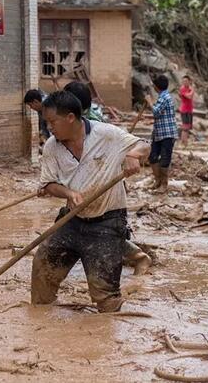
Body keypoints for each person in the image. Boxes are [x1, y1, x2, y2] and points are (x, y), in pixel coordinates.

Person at [32, 91, 150, 312]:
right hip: (71, 219)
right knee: (42, 272)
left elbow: (144, 144)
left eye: (52, 122)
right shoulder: (51, 146)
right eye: (47, 123)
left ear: (70, 117)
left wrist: (132, 155)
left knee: (106, 301)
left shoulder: (106, 135)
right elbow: (47, 184)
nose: (50, 128)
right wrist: (68, 193)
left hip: (107, 223)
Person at [61, 81, 152, 275]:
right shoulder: (63, 134)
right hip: (80, 196)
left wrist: (132, 155)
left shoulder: (101, 129)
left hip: (106, 195)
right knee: (65, 231)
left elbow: (144, 144)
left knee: (105, 233)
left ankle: (139, 257)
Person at [145, 75, 178, 193]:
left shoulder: (165, 97)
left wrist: (149, 102)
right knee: (152, 156)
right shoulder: (162, 97)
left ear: (157, 87)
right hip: (159, 133)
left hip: (167, 134)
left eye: (154, 85)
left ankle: (164, 184)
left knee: (165, 159)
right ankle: (157, 181)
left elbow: (156, 112)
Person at [178, 75, 194, 147]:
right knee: (185, 127)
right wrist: (193, 90)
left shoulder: (189, 89)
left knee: (188, 127)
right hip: (184, 110)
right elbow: (189, 96)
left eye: (186, 81)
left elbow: (191, 96)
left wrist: (192, 90)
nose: (185, 82)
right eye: (183, 81)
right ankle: (182, 142)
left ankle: (185, 143)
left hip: (189, 110)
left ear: (189, 81)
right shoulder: (182, 89)